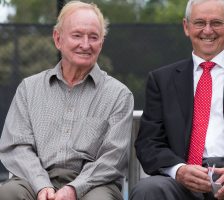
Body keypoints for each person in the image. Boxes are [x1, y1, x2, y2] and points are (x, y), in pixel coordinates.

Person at [130, 0, 224, 200]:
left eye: (216, 23)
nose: (208, 30)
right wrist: (178, 170)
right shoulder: (161, 80)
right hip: (181, 181)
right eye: (200, 23)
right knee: (148, 190)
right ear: (186, 27)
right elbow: (149, 141)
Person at [0, 1, 134, 200]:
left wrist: (73, 189)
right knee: (8, 193)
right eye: (77, 35)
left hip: (94, 185)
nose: (85, 44)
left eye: (93, 37)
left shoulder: (119, 95)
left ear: (101, 43)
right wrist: (41, 185)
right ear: (58, 39)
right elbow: (17, 146)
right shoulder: (29, 89)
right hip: (35, 179)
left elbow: (112, 159)